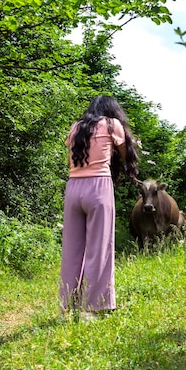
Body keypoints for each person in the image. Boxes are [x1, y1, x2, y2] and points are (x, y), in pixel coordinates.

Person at [60, 96, 138, 321]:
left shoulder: (77, 127)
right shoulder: (113, 125)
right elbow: (126, 156)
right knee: (99, 249)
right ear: (112, 110)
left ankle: (66, 308)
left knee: (72, 251)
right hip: (98, 187)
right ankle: (92, 309)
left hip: (73, 188)